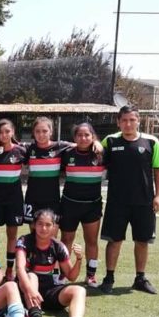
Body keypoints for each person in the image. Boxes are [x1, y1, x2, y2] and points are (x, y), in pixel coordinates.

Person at [100, 106, 159, 295]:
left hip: (144, 202)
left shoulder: (151, 142)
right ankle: (109, 278)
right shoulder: (110, 141)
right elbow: (94, 155)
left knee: (142, 241)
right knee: (114, 241)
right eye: (124, 120)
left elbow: (158, 169)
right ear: (119, 122)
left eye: (132, 120)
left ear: (138, 121)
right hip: (116, 202)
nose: (128, 124)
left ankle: (140, 278)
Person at [15, 209, 95, 317]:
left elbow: (71, 276)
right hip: (26, 289)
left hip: (48, 291)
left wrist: (79, 259)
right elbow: (20, 268)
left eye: (48, 225)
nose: (44, 228)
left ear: (54, 227)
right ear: (34, 225)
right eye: (40, 224)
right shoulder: (24, 241)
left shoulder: (58, 246)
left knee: (80, 290)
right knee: (32, 277)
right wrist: (31, 290)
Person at [59, 123, 105, 287]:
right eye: (79, 135)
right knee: (66, 239)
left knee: (91, 240)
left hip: (92, 206)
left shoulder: (101, 154)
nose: (83, 138)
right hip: (69, 204)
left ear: (93, 136)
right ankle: (63, 273)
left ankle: (91, 275)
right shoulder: (67, 153)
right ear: (74, 138)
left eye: (87, 135)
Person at [0, 119, 27, 281]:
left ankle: (10, 270)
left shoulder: (21, 151)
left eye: (7, 131)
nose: (4, 135)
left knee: (12, 234)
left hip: (14, 199)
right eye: (1, 132)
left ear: (12, 132)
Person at [23, 116, 73, 224]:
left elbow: (83, 144)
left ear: (51, 132)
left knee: (51, 236)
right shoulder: (28, 148)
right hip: (32, 199)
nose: (41, 134)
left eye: (45, 131)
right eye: (37, 131)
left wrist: (96, 142)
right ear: (33, 132)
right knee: (34, 235)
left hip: (52, 200)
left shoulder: (60, 146)